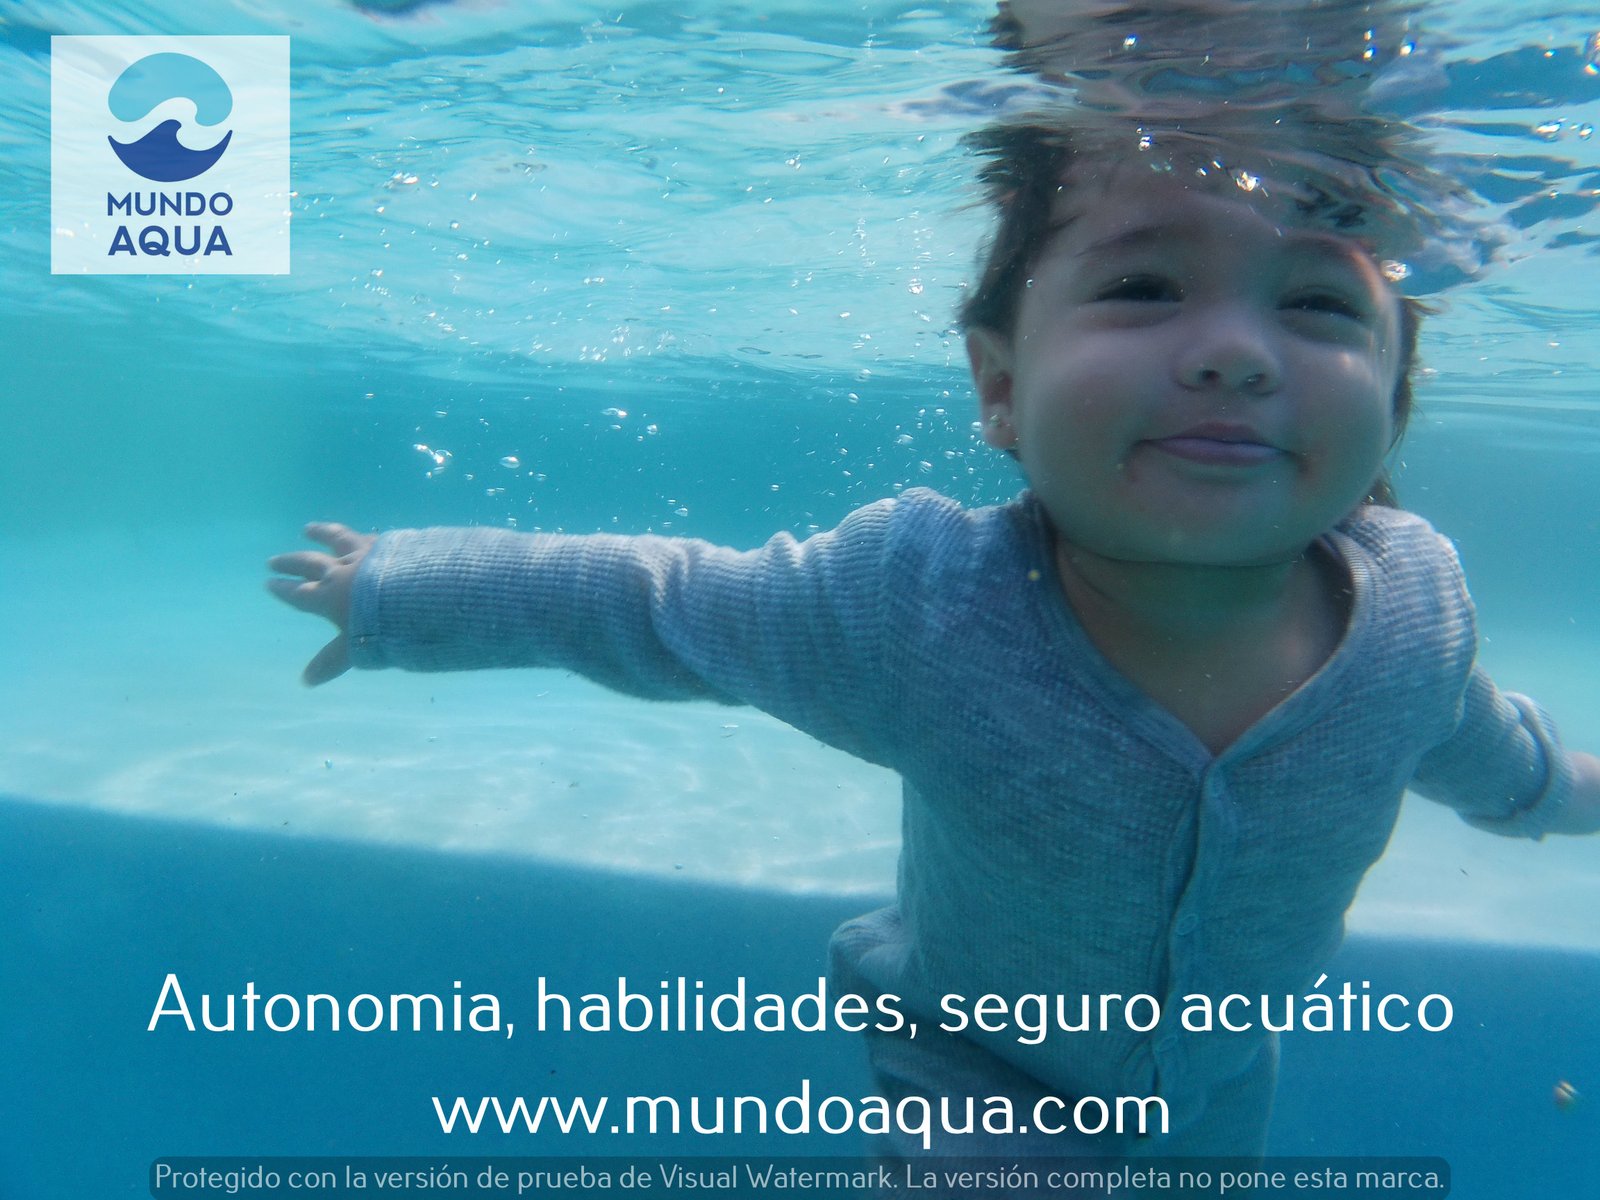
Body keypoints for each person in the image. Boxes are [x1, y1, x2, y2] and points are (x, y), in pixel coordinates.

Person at [267, 121, 1600, 1171]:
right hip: (976, 1071)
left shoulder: (1416, 609)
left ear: (1397, 403)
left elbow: (1490, 750)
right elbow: (659, 601)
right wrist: (401, 592)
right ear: (999, 389)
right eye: (1143, 286)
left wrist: (1580, 796)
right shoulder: (923, 602)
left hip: (1217, 1079)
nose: (1238, 354)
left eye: (1319, 308)